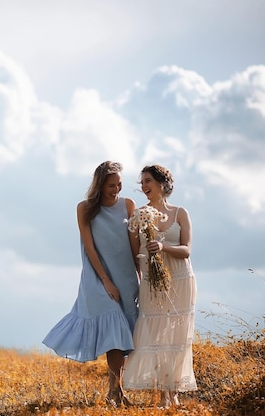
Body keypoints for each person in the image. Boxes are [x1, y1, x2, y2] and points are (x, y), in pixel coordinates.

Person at [42, 161, 140, 407]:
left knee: (122, 335)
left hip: (126, 276)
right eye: (111, 185)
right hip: (97, 277)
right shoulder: (84, 208)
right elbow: (89, 246)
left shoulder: (128, 205)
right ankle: (114, 392)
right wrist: (106, 282)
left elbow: (134, 244)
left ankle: (116, 392)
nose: (116, 189)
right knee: (113, 327)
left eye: (119, 184)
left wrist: (142, 275)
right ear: (99, 184)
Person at [122, 164, 198, 407]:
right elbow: (136, 256)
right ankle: (163, 393)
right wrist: (147, 277)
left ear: (162, 184)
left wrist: (163, 247)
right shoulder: (139, 215)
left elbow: (186, 251)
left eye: (148, 181)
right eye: (142, 182)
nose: (143, 187)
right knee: (156, 336)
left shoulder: (180, 213)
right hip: (153, 284)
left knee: (178, 335)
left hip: (181, 279)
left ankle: (173, 392)